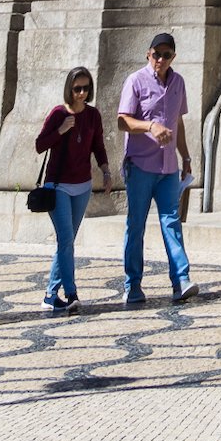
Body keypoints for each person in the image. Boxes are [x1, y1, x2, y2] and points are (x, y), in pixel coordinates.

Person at [116, 31, 194, 304]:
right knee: (136, 225)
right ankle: (133, 285)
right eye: (156, 54)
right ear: (148, 54)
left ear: (173, 57)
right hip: (140, 165)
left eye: (166, 55)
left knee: (171, 222)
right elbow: (123, 121)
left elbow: (178, 123)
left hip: (169, 167)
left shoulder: (178, 82)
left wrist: (185, 157)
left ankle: (181, 280)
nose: (160, 59)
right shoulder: (135, 81)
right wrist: (150, 126)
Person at [33, 66, 113, 314]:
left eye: (86, 88)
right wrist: (60, 130)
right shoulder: (58, 114)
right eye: (77, 88)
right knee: (66, 241)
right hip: (58, 187)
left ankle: (49, 295)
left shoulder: (92, 115)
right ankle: (71, 293)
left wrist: (106, 171)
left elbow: (98, 146)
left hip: (83, 186)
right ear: (69, 88)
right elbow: (39, 145)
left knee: (66, 243)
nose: (81, 93)